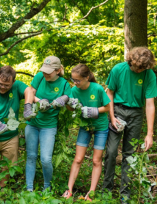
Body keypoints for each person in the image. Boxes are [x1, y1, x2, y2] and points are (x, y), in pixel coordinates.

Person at [102, 47, 157, 201]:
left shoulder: (149, 74)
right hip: (117, 110)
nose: (139, 71)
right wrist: (112, 117)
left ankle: (124, 195)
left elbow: (150, 103)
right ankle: (106, 191)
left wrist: (149, 134)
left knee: (130, 154)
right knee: (111, 152)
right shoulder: (118, 69)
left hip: (136, 114)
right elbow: (110, 93)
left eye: (143, 68)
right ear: (131, 61)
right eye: (137, 67)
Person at [62, 64, 110, 200]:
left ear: (87, 77)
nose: (75, 83)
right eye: (73, 80)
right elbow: (71, 108)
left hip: (100, 127)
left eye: (78, 80)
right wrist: (68, 104)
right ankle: (69, 190)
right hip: (85, 127)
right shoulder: (74, 90)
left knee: (96, 160)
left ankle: (91, 192)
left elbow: (107, 107)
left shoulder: (97, 89)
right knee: (78, 159)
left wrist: (93, 110)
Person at [25, 56, 72, 192]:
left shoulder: (64, 84)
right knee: (31, 156)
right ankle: (29, 189)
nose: (45, 73)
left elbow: (70, 105)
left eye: (49, 72)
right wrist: (39, 101)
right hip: (33, 123)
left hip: (49, 126)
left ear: (57, 71)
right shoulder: (39, 77)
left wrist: (65, 99)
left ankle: (47, 188)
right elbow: (30, 92)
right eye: (44, 70)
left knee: (46, 159)